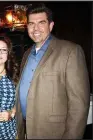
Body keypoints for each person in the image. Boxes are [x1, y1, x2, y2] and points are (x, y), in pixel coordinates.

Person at [16, 3, 90, 139]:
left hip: (53, 132)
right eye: (31, 23)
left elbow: (79, 105)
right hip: (25, 129)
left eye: (41, 23)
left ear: (50, 25)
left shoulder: (70, 51)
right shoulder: (26, 54)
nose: (35, 28)